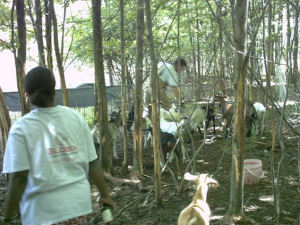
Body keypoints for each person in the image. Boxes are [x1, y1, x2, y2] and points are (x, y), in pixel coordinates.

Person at [2, 66, 113, 225]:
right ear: (54, 89)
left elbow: (19, 177)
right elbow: (93, 163)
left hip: (42, 213)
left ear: (27, 94)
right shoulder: (75, 118)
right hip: (76, 207)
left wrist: (9, 217)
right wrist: (105, 195)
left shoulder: (21, 128)